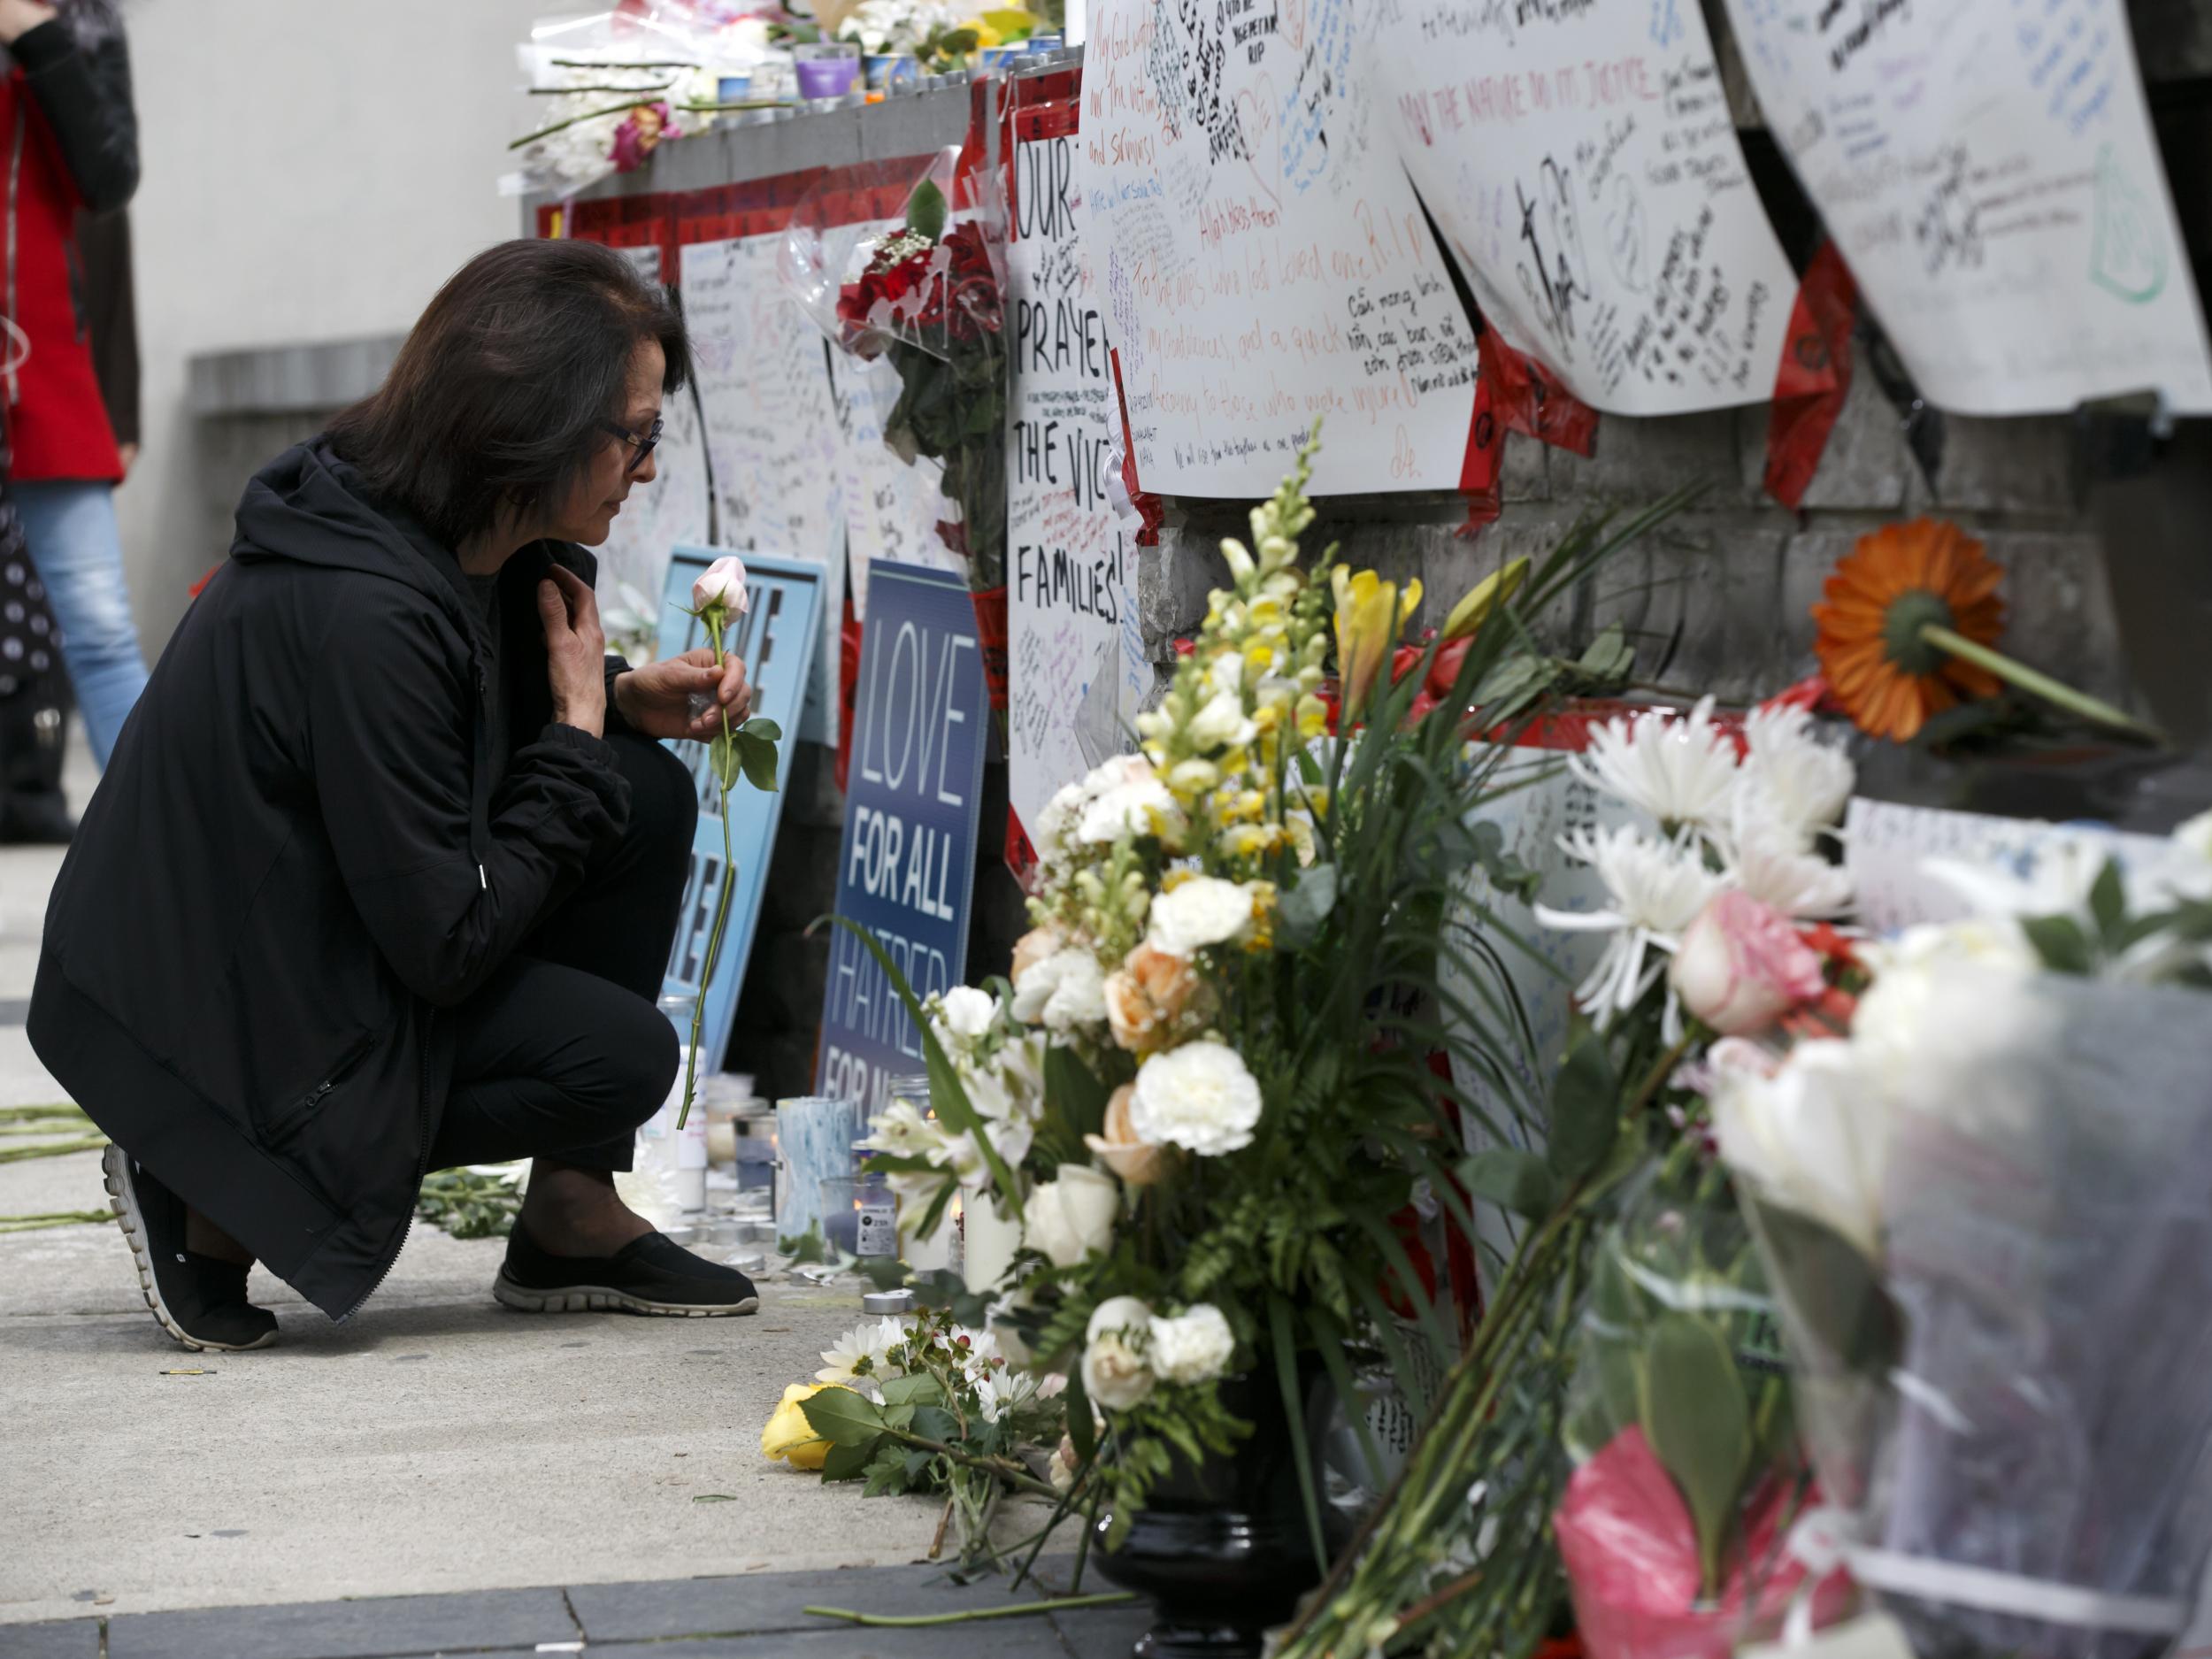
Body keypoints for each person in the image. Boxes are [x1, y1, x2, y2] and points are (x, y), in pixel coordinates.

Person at [30, 239, 764, 1352]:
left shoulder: (440, 533)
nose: (648, 468)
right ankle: (202, 1169)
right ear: (537, 420)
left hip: (303, 936)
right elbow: (449, 946)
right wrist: (571, 731)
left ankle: (570, 1215)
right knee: (617, 1056)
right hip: (209, 1011)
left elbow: (447, 741)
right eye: (638, 435)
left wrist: (613, 699)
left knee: (637, 793)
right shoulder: (365, 611)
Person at [0, 0, 152, 769]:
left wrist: (38, 38)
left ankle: (159, 842)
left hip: (42, 364)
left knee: (99, 626)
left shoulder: (82, 25)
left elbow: (108, 181)